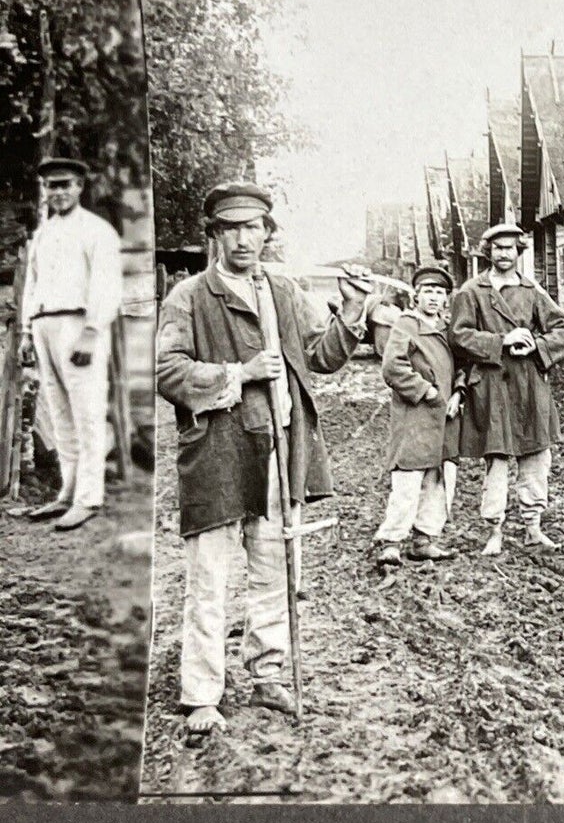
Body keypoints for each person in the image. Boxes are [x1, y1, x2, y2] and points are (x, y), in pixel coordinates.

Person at [155, 182, 373, 738]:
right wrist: (237, 374)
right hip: (218, 452)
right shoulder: (188, 298)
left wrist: (350, 313)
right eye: (232, 228)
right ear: (215, 235)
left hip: (278, 447)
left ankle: (268, 672)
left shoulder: (284, 290)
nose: (245, 238)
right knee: (209, 576)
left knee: (274, 568)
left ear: (267, 233)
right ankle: (202, 693)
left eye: (255, 227)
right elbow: (167, 371)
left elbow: (321, 358)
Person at [449, 221, 564, 555]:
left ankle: (533, 527)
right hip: (491, 384)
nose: (504, 254)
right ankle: (494, 530)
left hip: (529, 384)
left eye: (510, 248)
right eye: (498, 248)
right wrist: (501, 341)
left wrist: (535, 344)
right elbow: (458, 336)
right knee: (498, 459)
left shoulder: (532, 291)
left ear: (519, 251)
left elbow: (563, 329)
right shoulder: (471, 292)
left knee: (535, 455)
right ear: (487, 251)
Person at [18, 155, 123, 531]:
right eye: (51, 186)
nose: (58, 192)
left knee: (87, 412)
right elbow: (32, 284)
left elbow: (107, 285)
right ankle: (67, 491)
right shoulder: (42, 234)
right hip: (46, 324)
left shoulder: (97, 231)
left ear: (80, 186)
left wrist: (93, 331)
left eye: (65, 184)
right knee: (60, 413)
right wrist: (28, 332)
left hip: (79, 324)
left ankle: (89, 497)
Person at [373, 262, 461, 582]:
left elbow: (462, 366)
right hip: (415, 415)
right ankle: (392, 540)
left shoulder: (448, 329)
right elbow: (393, 368)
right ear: (417, 296)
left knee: (439, 479)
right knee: (408, 480)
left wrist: (457, 394)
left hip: (447, 417)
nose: (434, 298)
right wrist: (426, 391)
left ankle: (424, 538)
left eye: (440, 292)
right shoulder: (406, 326)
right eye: (428, 292)